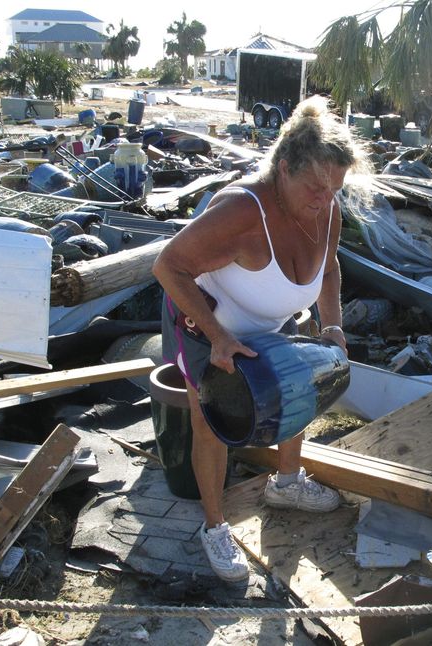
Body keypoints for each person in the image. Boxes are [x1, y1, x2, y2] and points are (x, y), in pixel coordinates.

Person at [152, 96, 367, 582]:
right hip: (205, 322)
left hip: (270, 320)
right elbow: (168, 266)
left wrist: (332, 326)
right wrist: (219, 338)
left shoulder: (326, 209)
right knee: (212, 422)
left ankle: (286, 483)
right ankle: (213, 525)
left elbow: (329, 269)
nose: (324, 198)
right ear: (283, 168)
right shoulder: (242, 212)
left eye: (334, 188)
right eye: (315, 186)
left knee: (296, 390)